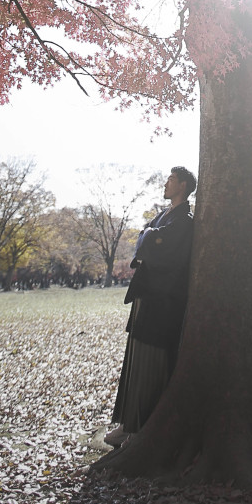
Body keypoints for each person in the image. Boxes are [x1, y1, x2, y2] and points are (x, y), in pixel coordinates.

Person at [104, 165, 197, 446]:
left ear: (183, 185)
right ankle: (128, 422)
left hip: (163, 301)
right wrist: (149, 235)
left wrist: (148, 236)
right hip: (146, 296)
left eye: (171, 179)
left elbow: (161, 249)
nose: (166, 183)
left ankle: (142, 427)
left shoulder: (185, 221)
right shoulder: (163, 216)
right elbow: (145, 241)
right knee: (135, 359)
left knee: (152, 363)